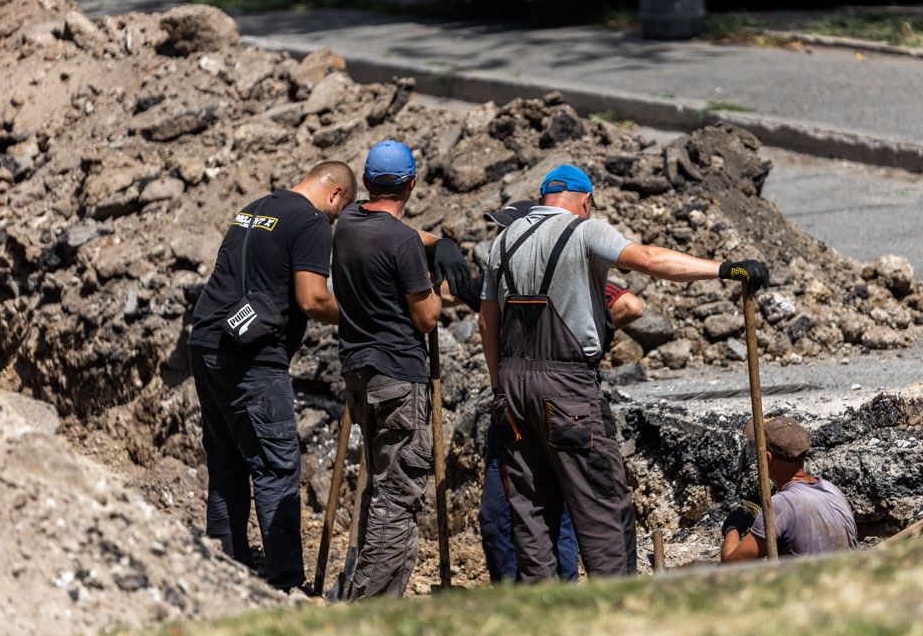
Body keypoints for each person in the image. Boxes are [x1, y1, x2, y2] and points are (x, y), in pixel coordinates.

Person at [479, 164, 769, 581]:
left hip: (512, 389)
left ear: (543, 198)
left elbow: (488, 323)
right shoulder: (585, 230)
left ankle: (542, 616)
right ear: (585, 201)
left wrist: (500, 388)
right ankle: (617, 607)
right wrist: (725, 268)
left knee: (532, 511)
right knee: (601, 506)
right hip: (567, 387)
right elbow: (649, 260)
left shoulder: (503, 241)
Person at [189, 161, 357, 591]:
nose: (333, 221)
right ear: (334, 194)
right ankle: (286, 583)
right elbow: (313, 298)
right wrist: (361, 319)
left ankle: (224, 570)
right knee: (276, 469)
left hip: (208, 341)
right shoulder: (311, 222)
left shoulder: (255, 208)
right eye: (338, 213)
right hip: (254, 359)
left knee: (226, 463)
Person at [475, 200, 645, 583]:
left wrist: (585, 332)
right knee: (521, 513)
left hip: (529, 394)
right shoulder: (503, 264)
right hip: (526, 399)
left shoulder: (567, 263)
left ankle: (564, 595)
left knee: (549, 511)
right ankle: (542, 599)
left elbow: (631, 303)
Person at [332, 140, 471, 599]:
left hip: (359, 372)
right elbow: (426, 317)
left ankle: (370, 590)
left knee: (380, 484)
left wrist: (437, 243)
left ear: (367, 182)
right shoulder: (402, 243)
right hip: (398, 375)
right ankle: (369, 604)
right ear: (412, 183)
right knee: (398, 495)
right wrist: (442, 291)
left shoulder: (349, 222)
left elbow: (398, 232)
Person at [719, 416, 857, 562]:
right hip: (845, 579)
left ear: (767, 459)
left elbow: (731, 561)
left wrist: (732, 526)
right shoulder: (832, 489)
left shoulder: (781, 505)